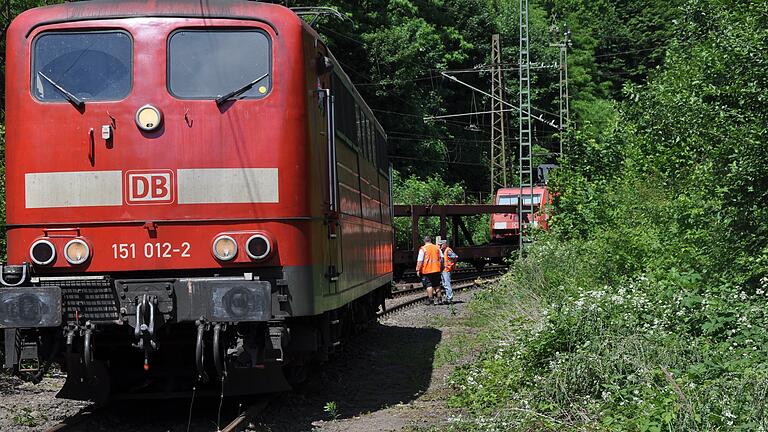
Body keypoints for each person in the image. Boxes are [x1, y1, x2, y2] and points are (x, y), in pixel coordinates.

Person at [416, 235, 443, 305]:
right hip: (436, 269)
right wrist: (441, 267)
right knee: (437, 284)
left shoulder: (423, 249)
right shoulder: (437, 248)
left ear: (424, 241)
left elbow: (420, 261)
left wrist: (418, 270)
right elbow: (442, 258)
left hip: (426, 271)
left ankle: (431, 300)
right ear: (431, 240)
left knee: (429, 285)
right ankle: (439, 299)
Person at [440, 239, 459, 304]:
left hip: (447, 269)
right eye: (439, 245)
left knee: (447, 284)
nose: (440, 246)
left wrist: (451, 264)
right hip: (444, 270)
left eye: (441, 244)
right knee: (444, 284)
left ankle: (450, 299)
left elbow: (455, 256)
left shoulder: (448, 250)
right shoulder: (443, 251)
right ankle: (448, 297)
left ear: (445, 245)